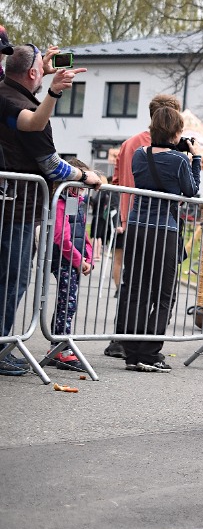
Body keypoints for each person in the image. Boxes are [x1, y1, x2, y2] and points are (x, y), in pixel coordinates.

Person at [0, 44, 95, 377]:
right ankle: (1, 346)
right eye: (40, 68)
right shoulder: (18, 104)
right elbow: (51, 164)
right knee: (12, 279)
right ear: (32, 73)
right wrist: (85, 176)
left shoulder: (5, 90)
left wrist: (42, 72)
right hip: (17, 209)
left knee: (11, 278)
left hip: (16, 205)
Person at [115, 107, 201, 371]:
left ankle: (132, 352)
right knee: (164, 293)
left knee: (137, 290)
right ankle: (150, 352)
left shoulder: (139, 155)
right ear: (176, 133)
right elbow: (191, 190)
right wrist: (195, 158)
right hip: (164, 230)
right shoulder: (179, 160)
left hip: (136, 227)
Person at [103, 93, 184, 360]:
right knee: (160, 288)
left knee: (133, 285)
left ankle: (123, 340)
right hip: (160, 222)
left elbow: (117, 180)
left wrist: (123, 217)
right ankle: (145, 346)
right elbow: (186, 188)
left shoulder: (130, 145)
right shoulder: (169, 149)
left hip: (133, 220)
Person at [47, 159, 96, 372]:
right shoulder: (60, 203)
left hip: (73, 260)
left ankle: (57, 347)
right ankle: (61, 349)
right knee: (67, 303)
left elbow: (82, 234)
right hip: (64, 260)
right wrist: (79, 260)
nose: (84, 189)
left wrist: (89, 257)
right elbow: (62, 238)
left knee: (68, 303)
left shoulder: (75, 202)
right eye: (81, 184)